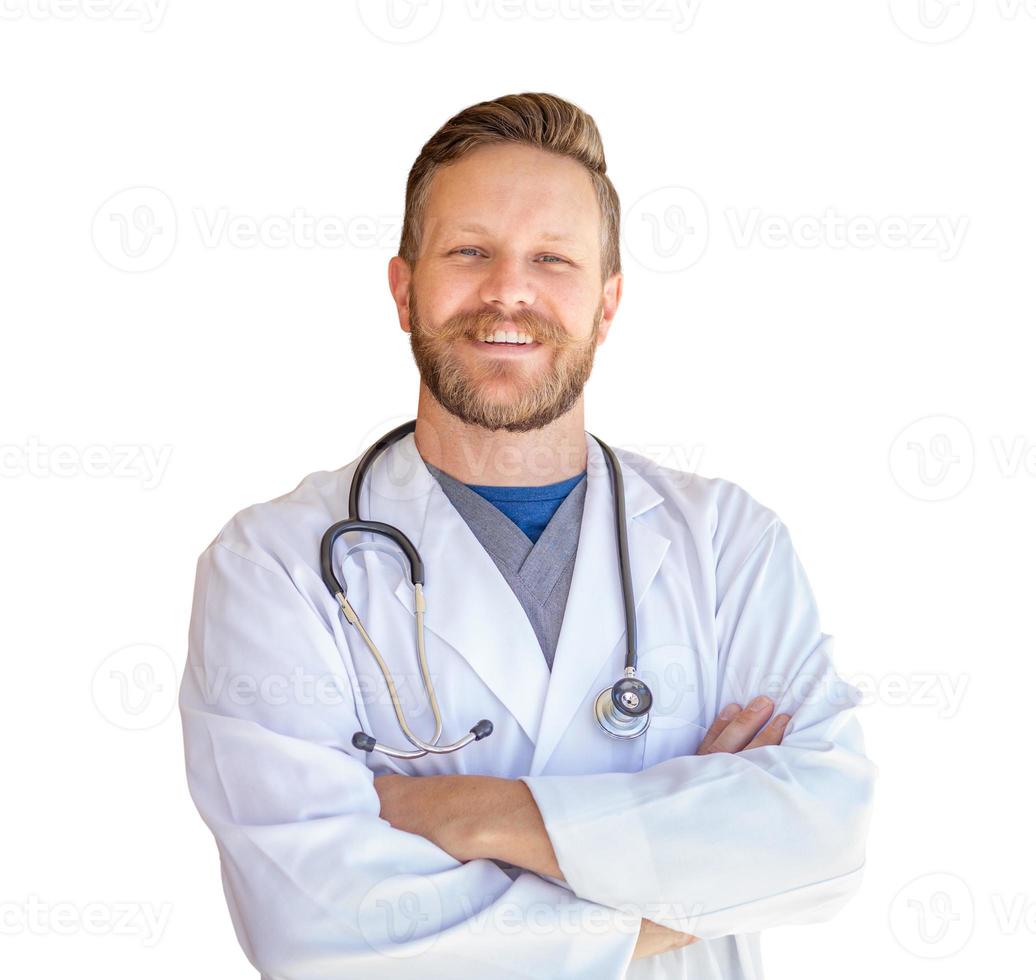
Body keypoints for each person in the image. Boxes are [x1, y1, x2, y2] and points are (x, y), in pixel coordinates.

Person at [179, 92, 877, 978]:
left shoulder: (728, 542)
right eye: (470, 251)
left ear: (608, 301)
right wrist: (692, 873)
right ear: (404, 288)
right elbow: (321, 936)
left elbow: (827, 836)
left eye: (552, 258)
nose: (508, 290)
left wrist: (472, 812)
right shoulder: (270, 567)